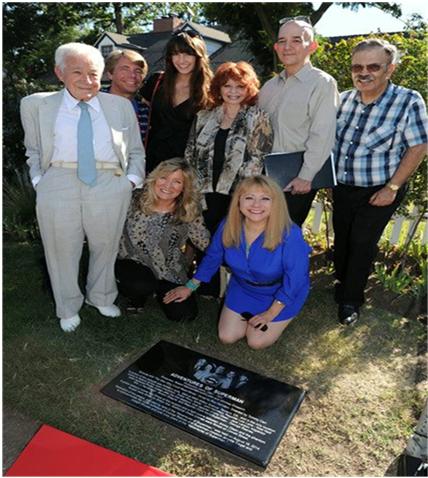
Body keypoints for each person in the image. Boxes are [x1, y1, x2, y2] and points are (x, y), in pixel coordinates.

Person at [20, 43, 145, 332]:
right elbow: (33, 150)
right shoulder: (36, 105)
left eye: (93, 73)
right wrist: (40, 181)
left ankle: (101, 296)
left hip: (109, 181)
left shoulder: (120, 106)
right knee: (61, 248)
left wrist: (129, 182)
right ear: (59, 73)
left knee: (106, 245)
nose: (87, 81)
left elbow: (136, 151)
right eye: (77, 72)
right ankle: (67, 307)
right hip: (58, 180)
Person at [333, 38, 427, 325]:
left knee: (362, 242)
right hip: (343, 186)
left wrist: (392, 188)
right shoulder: (344, 99)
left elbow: (419, 146)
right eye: (357, 67)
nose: (364, 73)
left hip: (381, 189)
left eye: (373, 66)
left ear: (390, 69)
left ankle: (351, 301)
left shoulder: (408, 101)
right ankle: (343, 283)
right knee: (343, 238)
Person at [164, 176, 311, 350]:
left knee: (256, 342)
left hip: (279, 292)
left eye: (265, 198)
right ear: (239, 201)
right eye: (249, 197)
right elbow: (213, 257)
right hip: (243, 288)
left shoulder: (290, 234)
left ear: (276, 203)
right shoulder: (228, 225)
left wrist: (270, 313)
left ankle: (285, 312)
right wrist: (190, 286)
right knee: (227, 337)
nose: (256, 205)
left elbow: (296, 278)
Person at [259, 17, 339, 226]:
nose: (287, 47)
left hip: (296, 180)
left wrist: (306, 176)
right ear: (276, 47)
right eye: (282, 41)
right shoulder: (268, 87)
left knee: (283, 236)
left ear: (312, 46)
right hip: (264, 177)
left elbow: (323, 134)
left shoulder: (322, 83)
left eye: (296, 40)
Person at [115, 158, 210, 321]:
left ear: (184, 187)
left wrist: (236, 254)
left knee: (184, 315)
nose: (168, 185)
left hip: (169, 270)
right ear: (155, 177)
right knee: (140, 285)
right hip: (132, 264)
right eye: (164, 178)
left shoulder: (188, 210)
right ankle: (136, 297)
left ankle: (158, 291)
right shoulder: (134, 199)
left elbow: (206, 244)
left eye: (177, 182)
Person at [185, 61, 273, 234]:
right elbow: (190, 153)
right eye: (227, 86)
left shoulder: (258, 118)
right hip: (204, 194)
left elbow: (257, 160)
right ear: (219, 88)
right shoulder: (204, 116)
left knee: (231, 239)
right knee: (204, 240)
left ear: (248, 89)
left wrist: (241, 197)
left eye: (240, 86)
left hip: (238, 196)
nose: (233, 91)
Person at [141, 31, 212, 174]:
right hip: (152, 161)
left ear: (199, 56)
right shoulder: (157, 82)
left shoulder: (211, 90)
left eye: (188, 54)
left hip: (188, 166)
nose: (181, 60)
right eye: (176, 54)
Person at [102, 49, 149, 141]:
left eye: (138, 71)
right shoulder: (93, 102)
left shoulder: (146, 109)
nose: (133, 75)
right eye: (125, 69)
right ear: (110, 74)